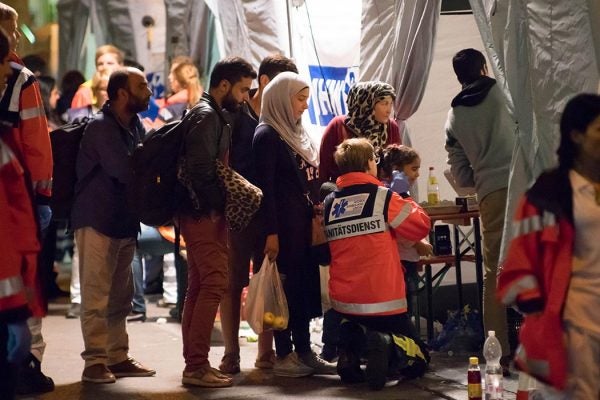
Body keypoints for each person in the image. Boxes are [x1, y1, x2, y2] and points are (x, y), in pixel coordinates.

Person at [498, 94, 600, 398]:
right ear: (576, 135)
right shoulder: (549, 193)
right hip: (574, 324)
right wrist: (540, 310)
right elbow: (521, 259)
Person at [323, 137, 431, 390]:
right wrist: (403, 194)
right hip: (384, 303)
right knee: (419, 360)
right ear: (368, 164)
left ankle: (351, 351)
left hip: (345, 303)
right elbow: (419, 226)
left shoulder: (331, 203)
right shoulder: (382, 198)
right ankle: (387, 344)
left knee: (355, 329)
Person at [70, 67, 155, 384]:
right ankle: (94, 361)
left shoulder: (134, 125)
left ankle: (117, 356)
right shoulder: (101, 128)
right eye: (142, 85)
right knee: (96, 295)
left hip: (123, 222)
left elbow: (143, 167)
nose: (148, 91)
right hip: (96, 220)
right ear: (122, 94)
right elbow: (125, 170)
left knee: (121, 295)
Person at [177, 56, 255, 388]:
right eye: (242, 90)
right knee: (214, 284)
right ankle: (196, 366)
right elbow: (200, 168)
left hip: (196, 212)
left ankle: (195, 362)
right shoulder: (208, 116)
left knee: (199, 286)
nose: (245, 97)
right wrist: (213, 207)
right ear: (224, 85)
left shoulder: (210, 113)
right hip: (202, 214)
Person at [218, 54, 298, 375]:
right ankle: (231, 352)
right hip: (238, 213)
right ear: (263, 82)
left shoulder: (281, 119)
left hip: (271, 213)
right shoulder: (235, 117)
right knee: (233, 281)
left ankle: (266, 350)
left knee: (265, 277)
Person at [253, 71, 335, 378]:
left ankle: (303, 350)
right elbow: (267, 190)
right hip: (284, 229)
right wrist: (271, 233)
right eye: (299, 99)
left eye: (305, 100)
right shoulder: (267, 136)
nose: (303, 106)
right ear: (281, 99)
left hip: (304, 229)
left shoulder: (296, 132)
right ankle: (284, 353)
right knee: (283, 292)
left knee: (303, 288)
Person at [444, 48, 514, 375]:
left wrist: (482, 174)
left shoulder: (455, 115)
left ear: (459, 77)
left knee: (494, 272)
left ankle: (499, 349)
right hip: (526, 184)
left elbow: (461, 174)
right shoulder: (505, 92)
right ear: (484, 67)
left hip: (491, 193)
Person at [0, 3, 55, 394]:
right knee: (22, 284)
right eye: (12, 28)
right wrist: (43, 195)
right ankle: (27, 365)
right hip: (16, 198)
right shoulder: (21, 79)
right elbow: (36, 144)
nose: (17, 37)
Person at [379, 144, 433, 318]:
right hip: (402, 259)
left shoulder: (399, 191)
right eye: (414, 169)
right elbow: (400, 226)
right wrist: (417, 243)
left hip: (407, 257)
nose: (417, 174)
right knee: (404, 308)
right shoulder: (392, 193)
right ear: (397, 170)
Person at [319, 80, 401, 184]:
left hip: (381, 192)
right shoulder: (338, 126)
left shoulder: (390, 127)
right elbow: (324, 168)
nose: (389, 110)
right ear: (366, 103)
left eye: (391, 104)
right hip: (344, 192)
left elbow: (397, 166)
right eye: (384, 104)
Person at [70, 44, 124, 109]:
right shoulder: (85, 92)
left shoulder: (126, 88)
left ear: (121, 66)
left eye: (110, 63)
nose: (104, 67)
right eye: (100, 64)